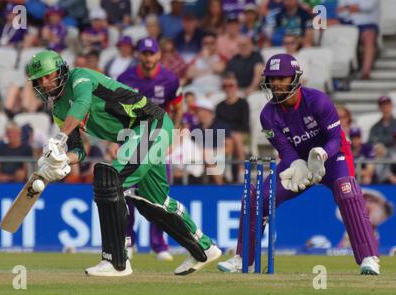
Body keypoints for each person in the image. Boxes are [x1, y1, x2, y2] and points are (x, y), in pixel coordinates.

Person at [26, 49, 221, 276]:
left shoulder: (80, 78)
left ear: (61, 70)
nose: (45, 83)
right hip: (136, 136)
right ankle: (204, 249)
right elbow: (79, 149)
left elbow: (81, 103)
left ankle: (117, 261)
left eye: (49, 75)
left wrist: (58, 140)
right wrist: (59, 161)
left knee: (110, 181)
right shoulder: (58, 109)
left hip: (150, 124)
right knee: (153, 203)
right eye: (39, 80)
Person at [217, 53, 380, 275]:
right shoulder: (267, 115)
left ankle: (369, 258)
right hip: (298, 161)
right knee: (257, 198)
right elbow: (284, 149)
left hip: (332, 156)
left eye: (281, 78)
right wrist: (297, 165)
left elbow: (335, 138)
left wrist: (322, 154)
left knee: (347, 191)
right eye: (272, 79)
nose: (275, 83)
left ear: (294, 78)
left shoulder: (317, 101)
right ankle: (244, 260)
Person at [117, 37, 184, 261]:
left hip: (156, 141)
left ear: (158, 55)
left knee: (158, 195)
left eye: (152, 53)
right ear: (139, 55)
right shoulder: (125, 78)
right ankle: (127, 241)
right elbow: (115, 112)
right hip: (131, 140)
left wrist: (171, 134)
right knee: (125, 194)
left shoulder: (169, 79)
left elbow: (177, 107)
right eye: (144, 54)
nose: (148, 58)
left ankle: (159, 245)